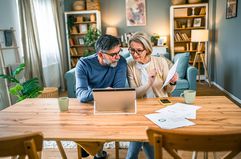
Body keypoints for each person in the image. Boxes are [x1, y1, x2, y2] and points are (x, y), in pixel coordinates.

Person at [126, 32, 178, 159]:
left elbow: (168, 89)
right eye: (132, 50)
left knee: (142, 138)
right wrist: (149, 82)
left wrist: (173, 81)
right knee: (144, 136)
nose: (135, 54)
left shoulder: (161, 62)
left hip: (160, 107)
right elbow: (134, 93)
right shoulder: (130, 65)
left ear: (147, 50)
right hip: (140, 108)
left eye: (139, 50)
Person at [75, 34, 127, 158]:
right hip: (90, 102)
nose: (117, 57)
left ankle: (95, 149)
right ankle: (92, 147)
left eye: (119, 52)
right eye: (113, 54)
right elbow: (80, 94)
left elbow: (118, 91)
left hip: (110, 103)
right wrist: (101, 93)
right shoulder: (84, 64)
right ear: (100, 54)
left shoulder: (120, 62)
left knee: (106, 120)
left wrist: (107, 95)